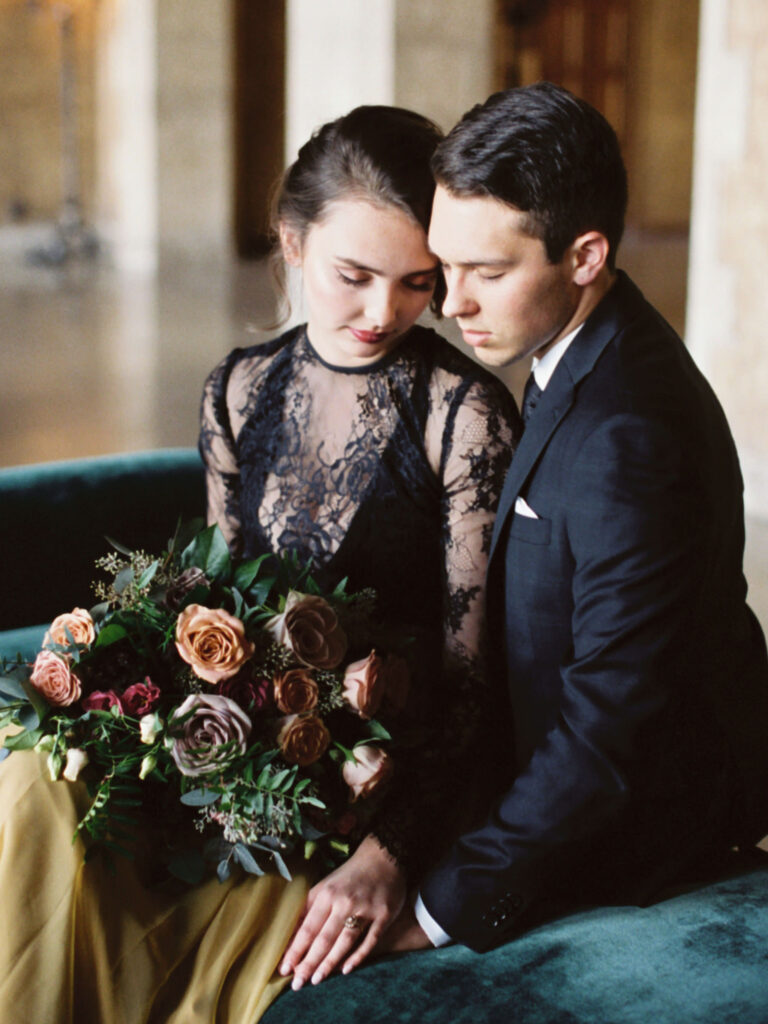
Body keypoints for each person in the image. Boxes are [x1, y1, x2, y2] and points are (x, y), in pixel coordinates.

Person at [0, 105, 519, 1023]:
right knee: (34, 786)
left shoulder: (462, 414)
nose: (382, 313)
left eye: (416, 283)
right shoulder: (238, 389)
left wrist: (385, 858)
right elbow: (217, 614)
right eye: (352, 276)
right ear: (290, 242)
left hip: (363, 794)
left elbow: (473, 684)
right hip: (233, 765)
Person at [378, 81, 768, 955]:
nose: (452, 303)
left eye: (488, 271)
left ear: (585, 255)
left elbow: (609, 729)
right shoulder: (583, 347)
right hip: (555, 778)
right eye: (447, 266)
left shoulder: (629, 435)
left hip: (636, 841)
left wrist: (440, 912)